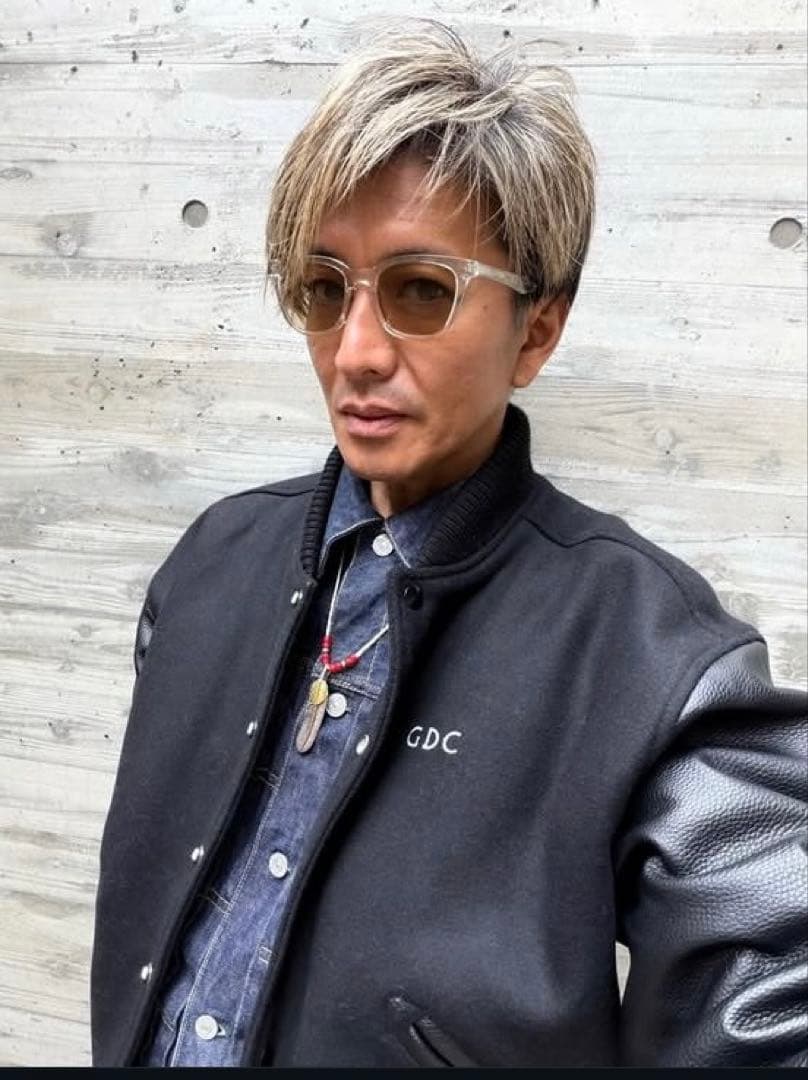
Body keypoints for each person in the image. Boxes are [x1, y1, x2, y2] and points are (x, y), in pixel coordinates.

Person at [90, 20, 807, 1068]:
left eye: (422, 289)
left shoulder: (650, 655)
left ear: (537, 329)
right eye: (323, 288)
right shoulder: (209, 566)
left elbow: (767, 998)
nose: (356, 351)